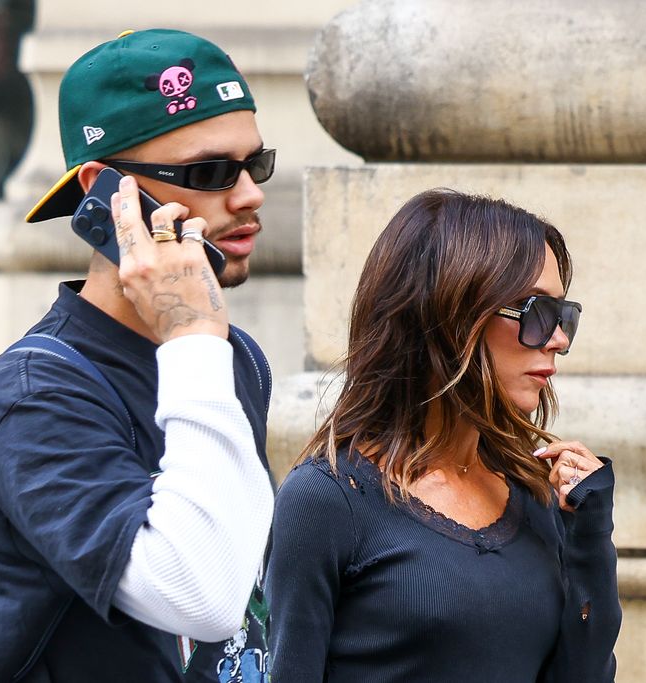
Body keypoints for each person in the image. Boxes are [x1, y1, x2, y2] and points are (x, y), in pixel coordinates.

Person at [0, 29, 276, 682]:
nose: (249, 195)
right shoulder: (32, 396)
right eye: (210, 173)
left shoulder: (227, 354)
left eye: (256, 165)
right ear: (106, 190)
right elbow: (204, 597)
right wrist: (191, 337)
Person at [266, 189, 622, 682]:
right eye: (536, 312)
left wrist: (589, 536)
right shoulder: (327, 499)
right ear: (447, 315)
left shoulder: (534, 492)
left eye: (564, 316)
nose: (559, 339)